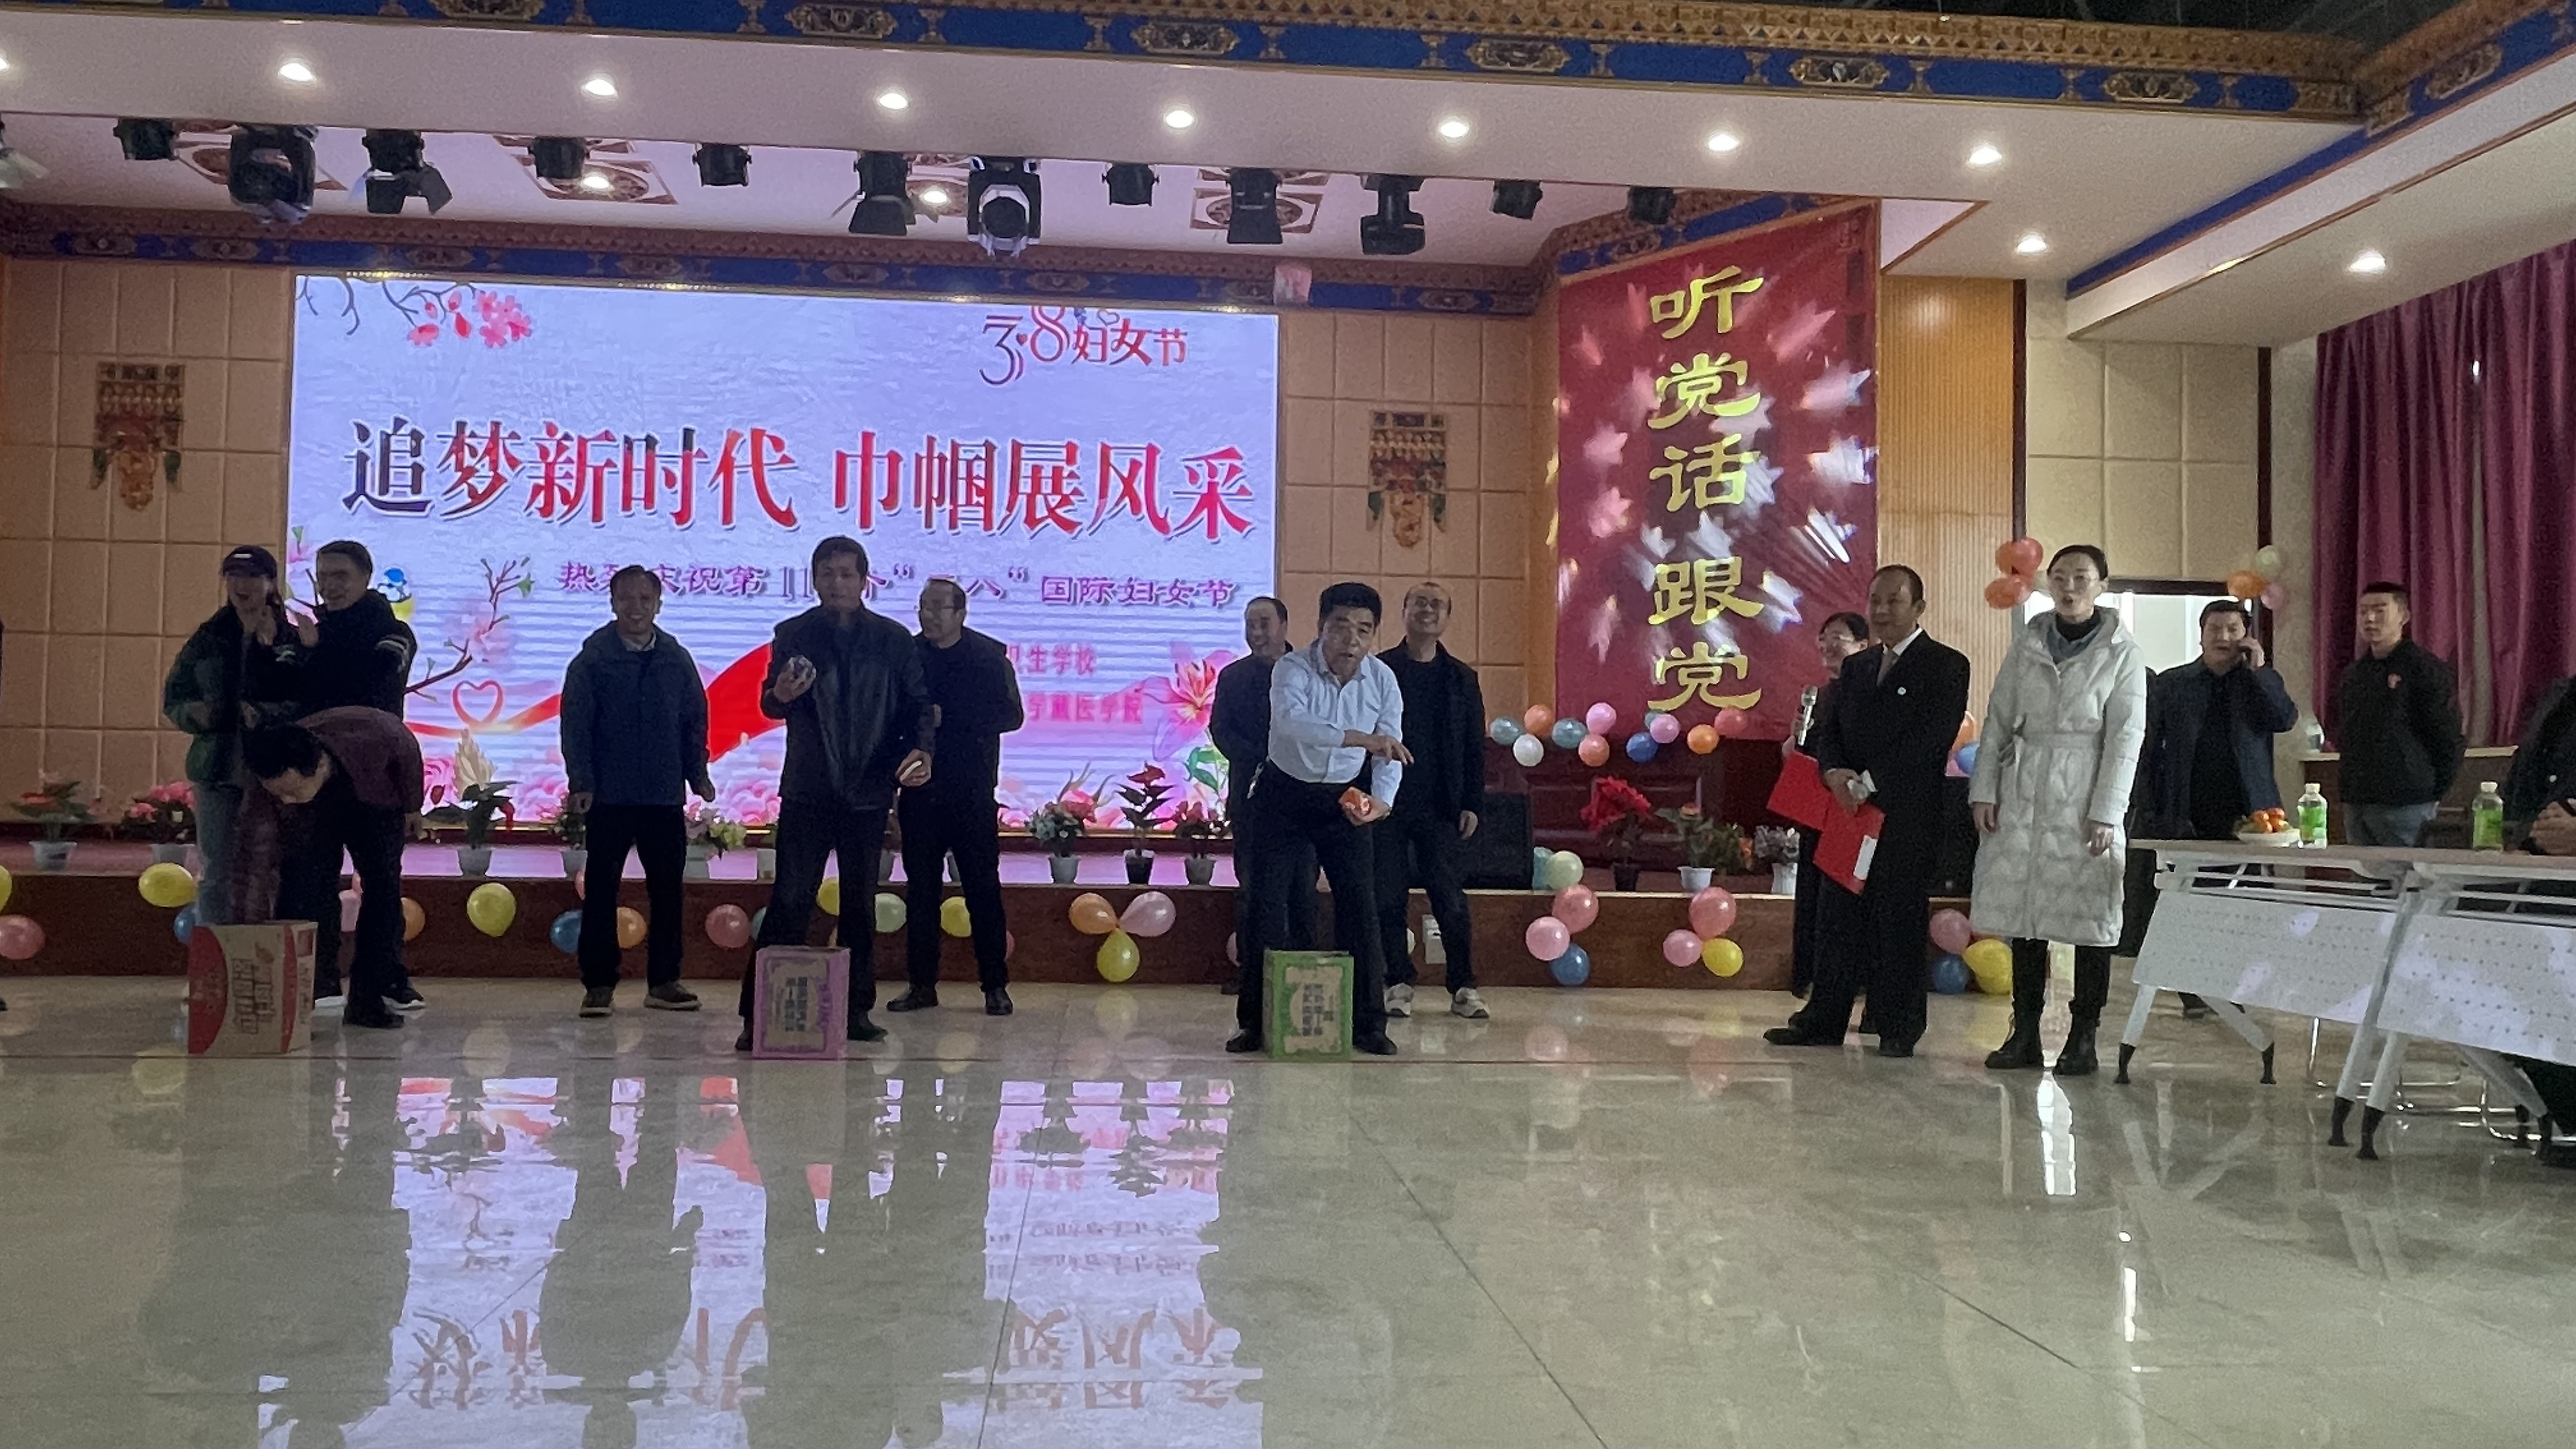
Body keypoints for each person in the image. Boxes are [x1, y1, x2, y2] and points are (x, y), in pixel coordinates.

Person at [735, 537, 935, 1050]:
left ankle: (855, 1010)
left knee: (859, 905)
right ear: (814, 579)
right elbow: (771, 704)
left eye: (847, 574)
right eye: (827, 574)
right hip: (809, 787)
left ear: (865, 580)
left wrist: (922, 752)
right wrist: (780, 695)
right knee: (790, 899)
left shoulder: (893, 640)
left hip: (868, 790)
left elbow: (917, 707)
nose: (837, 583)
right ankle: (758, 1013)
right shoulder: (795, 633)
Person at [1765, 565, 1970, 1059]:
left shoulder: (1945, 665)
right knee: (1837, 916)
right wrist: (1835, 774)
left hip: (1904, 816)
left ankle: (1897, 1024)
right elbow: (1830, 731)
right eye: (1875, 600)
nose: (1881, 611)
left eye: (1893, 601)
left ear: (1918, 608)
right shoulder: (1857, 667)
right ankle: (1824, 1018)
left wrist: (1868, 782)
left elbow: (1929, 739)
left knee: (1897, 917)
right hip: (1848, 813)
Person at [1968, 545, 2149, 1077]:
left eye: (2082, 578)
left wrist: (2107, 810)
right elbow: (1997, 719)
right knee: (2025, 916)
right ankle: (2024, 1032)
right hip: (2025, 787)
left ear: (2102, 586)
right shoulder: (2028, 643)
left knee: (2090, 919)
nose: (2070, 587)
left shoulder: (2122, 652)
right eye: (2061, 577)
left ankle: (2083, 1036)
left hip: (2085, 790)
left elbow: (2126, 737)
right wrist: (1985, 789)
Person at [1230, 581, 1407, 1058]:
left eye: (1364, 630)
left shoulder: (1383, 679)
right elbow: (1293, 725)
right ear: (1321, 627)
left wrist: (1382, 801)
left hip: (1343, 798)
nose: (1352, 640)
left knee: (1360, 906)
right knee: (1266, 907)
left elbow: (1391, 747)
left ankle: (1369, 1024)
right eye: (1341, 627)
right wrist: (1360, 739)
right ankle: (1254, 1023)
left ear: (1374, 634)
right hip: (1284, 794)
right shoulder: (1292, 668)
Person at [2130, 599, 2301, 1016]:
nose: (2223, 637)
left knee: (2245, 906)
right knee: (2191, 904)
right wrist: (2148, 806)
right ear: (2201, 635)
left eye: (2233, 629)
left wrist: (2260, 672)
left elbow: (2284, 719)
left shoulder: (2257, 682)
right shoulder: (2173, 683)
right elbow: (2148, 749)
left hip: (2250, 815)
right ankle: (2196, 990)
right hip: (2188, 809)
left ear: (2246, 636)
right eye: (2215, 629)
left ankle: (2235, 986)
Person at [560, 565, 711, 1018]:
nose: (636, 607)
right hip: (609, 795)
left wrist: (697, 774)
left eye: (645, 599)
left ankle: (664, 981)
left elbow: (694, 721)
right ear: (612, 603)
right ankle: (598, 985)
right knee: (601, 890)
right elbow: (576, 726)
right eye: (626, 598)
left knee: (667, 891)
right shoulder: (592, 660)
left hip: (663, 794)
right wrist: (582, 781)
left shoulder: (675, 659)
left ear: (659, 604)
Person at [887, 579, 1023, 1018]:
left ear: (961, 613)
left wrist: (951, 717)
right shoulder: (907, 656)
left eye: (938, 608)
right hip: (920, 793)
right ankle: (921, 985)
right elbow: (891, 716)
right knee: (921, 893)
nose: (928, 615)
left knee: (982, 890)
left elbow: (1011, 715)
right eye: (923, 607)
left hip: (972, 792)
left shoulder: (988, 657)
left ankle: (995, 986)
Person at [239, 709, 424, 1030]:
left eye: (291, 791)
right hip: (317, 814)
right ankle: (316, 984)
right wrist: (252, 924)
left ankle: (370, 997)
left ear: (320, 767)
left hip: (376, 802)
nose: (286, 801)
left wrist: (412, 805)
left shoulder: (376, 739)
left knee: (382, 891)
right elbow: (257, 854)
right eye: (278, 794)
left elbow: (407, 750)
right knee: (307, 887)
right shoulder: (275, 772)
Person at [162, 545, 305, 928]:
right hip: (217, 768)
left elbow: (306, 701)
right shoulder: (209, 637)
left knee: (269, 866)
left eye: (252, 576)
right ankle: (215, 955)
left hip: (274, 771)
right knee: (216, 870)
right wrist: (194, 714)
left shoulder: (290, 639)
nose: (242, 585)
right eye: (233, 576)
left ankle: (263, 954)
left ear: (271, 582)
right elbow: (174, 697)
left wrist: (266, 713)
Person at [1373, 582, 1490, 1021]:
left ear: (1447, 617)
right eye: (1418, 603)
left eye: (1436, 604)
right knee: (1388, 898)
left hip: (1441, 805)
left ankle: (1463, 986)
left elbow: (1475, 747)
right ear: (1403, 611)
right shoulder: (1379, 670)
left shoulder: (1461, 678)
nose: (1427, 610)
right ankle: (1398, 982)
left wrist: (1473, 803)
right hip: (1387, 804)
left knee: (1451, 901)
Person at [1209, 594, 1315, 993]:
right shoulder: (1233, 677)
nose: (1256, 632)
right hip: (1251, 795)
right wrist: (1262, 759)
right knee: (1251, 886)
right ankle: (1251, 973)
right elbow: (1221, 730)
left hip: (1302, 798)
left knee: (1301, 887)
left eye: (1264, 623)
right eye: (1250, 624)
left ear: (1284, 626)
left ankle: (1303, 969)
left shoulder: (1309, 673)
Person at [2331, 581, 2464, 847]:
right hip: (2357, 800)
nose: (2369, 618)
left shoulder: (2424, 669)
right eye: (2363, 611)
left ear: (2404, 616)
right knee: (2364, 872)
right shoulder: (2354, 674)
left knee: (2408, 872)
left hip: (2407, 803)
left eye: (2380, 610)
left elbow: (2447, 736)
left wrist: (2430, 791)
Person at [1791, 611, 1870, 999]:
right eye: (1824, 637)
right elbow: (1799, 754)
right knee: (1813, 893)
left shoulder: (1868, 693)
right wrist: (1796, 738)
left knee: (1849, 897)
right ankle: (1811, 976)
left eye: (1839, 637)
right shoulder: (1818, 696)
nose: (1829, 645)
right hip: (1817, 812)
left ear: (1863, 646)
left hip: (1855, 810)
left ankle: (1853, 980)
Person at [295, 539, 417, 715]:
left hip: (370, 731)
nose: (329, 586)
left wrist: (315, 650)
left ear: (366, 578)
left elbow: (365, 687)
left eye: (341, 576)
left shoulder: (395, 634)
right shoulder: (317, 632)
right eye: (322, 577)